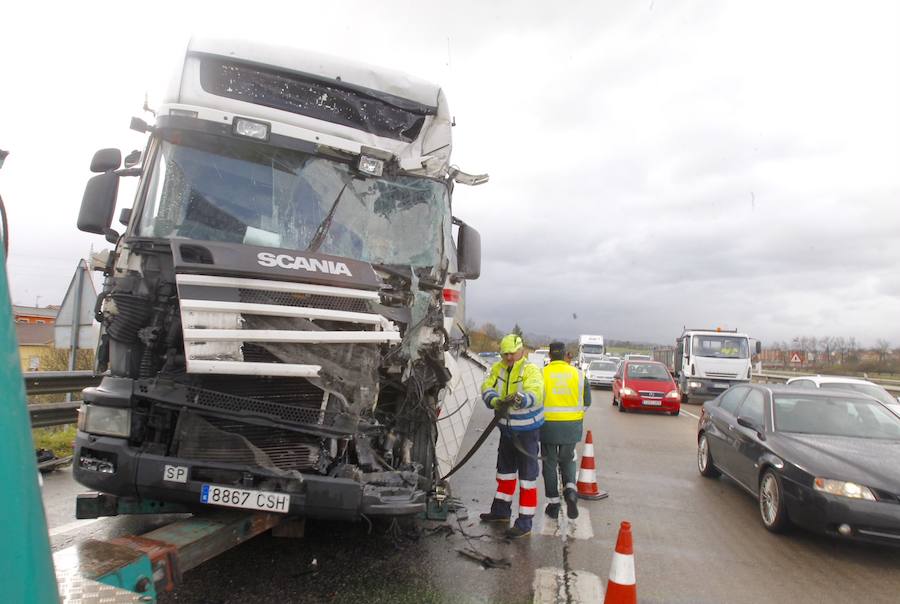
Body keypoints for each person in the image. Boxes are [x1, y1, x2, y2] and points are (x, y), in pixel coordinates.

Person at [480, 333, 545, 538]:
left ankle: (525, 522)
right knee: (505, 473)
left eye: (512, 354)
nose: (508, 358)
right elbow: (487, 387)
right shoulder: (498, 368)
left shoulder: (529, 369)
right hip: (507, 431)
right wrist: (494, 400)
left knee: (527, 478)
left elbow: (537, 392)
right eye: (505, 354)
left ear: (521, 351)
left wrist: (522, 399)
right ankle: (501, 511)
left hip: (527, 433)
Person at [540, 341, 591, 520]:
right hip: (571, 427)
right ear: (565, 355)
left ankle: (553, 504)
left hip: (547, 427)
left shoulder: (541, 374)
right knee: (568, 459)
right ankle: (570, 490)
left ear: (549, 355)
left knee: (549, 464)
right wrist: (576, 416)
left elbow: (535, 400)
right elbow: (587, 402)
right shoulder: (579, 374)